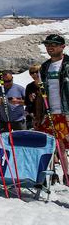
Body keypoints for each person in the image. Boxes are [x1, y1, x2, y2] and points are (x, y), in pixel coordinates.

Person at [37, 34, 69, 185]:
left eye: (54, 44)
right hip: (51, 113)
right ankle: (66, 176)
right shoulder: (44, 67)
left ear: (63, 46)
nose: (50, 46)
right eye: (48, 44)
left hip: (67, 111)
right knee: (57, 147)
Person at [0, 70, 26, 135]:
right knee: (3, 142)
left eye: (9, 81)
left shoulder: (20, 89)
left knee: (21, 141)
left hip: (19, 121)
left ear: (12, 78)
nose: (7, 83)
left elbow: (28, 102)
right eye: (4, 81)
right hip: (3, 122)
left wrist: (18, 101)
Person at [24, 64, 42, 130]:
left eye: (37, 71)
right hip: (32, 117)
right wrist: (30, 99)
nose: (34, 74)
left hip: (45, 115)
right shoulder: (29, 86)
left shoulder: (47, 85)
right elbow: (26, 102)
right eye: (32, 73)